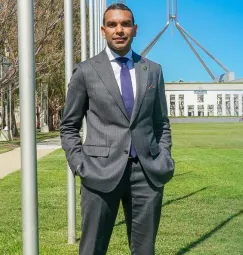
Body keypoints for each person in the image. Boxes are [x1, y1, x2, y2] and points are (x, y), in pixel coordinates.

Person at [60, 3, 175, 254]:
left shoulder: (153, 70)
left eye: (125, 24)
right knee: (92, 249)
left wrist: (164, 157)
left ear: (135, 29)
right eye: (112, 24)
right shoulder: (86, 71)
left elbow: (161, 123)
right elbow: (69, 126)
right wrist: (80, 165)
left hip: (147, 173)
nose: (119, 30)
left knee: (145, 250)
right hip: (99, 173)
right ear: (103, 30)